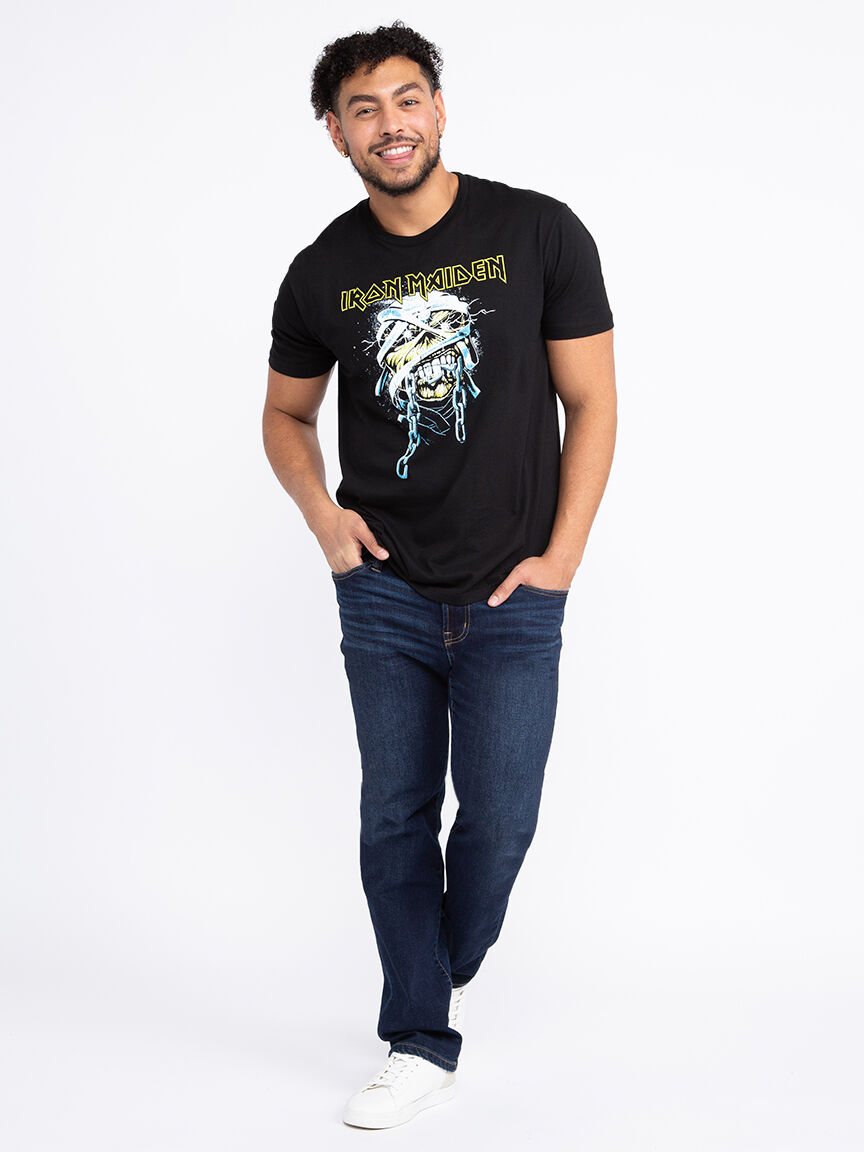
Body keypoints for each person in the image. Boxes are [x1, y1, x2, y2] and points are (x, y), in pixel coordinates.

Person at [262, 20, 616, 1130]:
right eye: (363, 109)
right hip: (385, 590)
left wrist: (562, 560)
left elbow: (592, 401)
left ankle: (432, 966)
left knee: (499, 824)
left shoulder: (539, 231)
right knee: (395, 816)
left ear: (440, 109)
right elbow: (284, 415)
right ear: (336, 134)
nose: (391, 124)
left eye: (406, 99)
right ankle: (419, 1035)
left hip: (515, 592)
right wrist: (326, 523)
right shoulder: (322, 272)